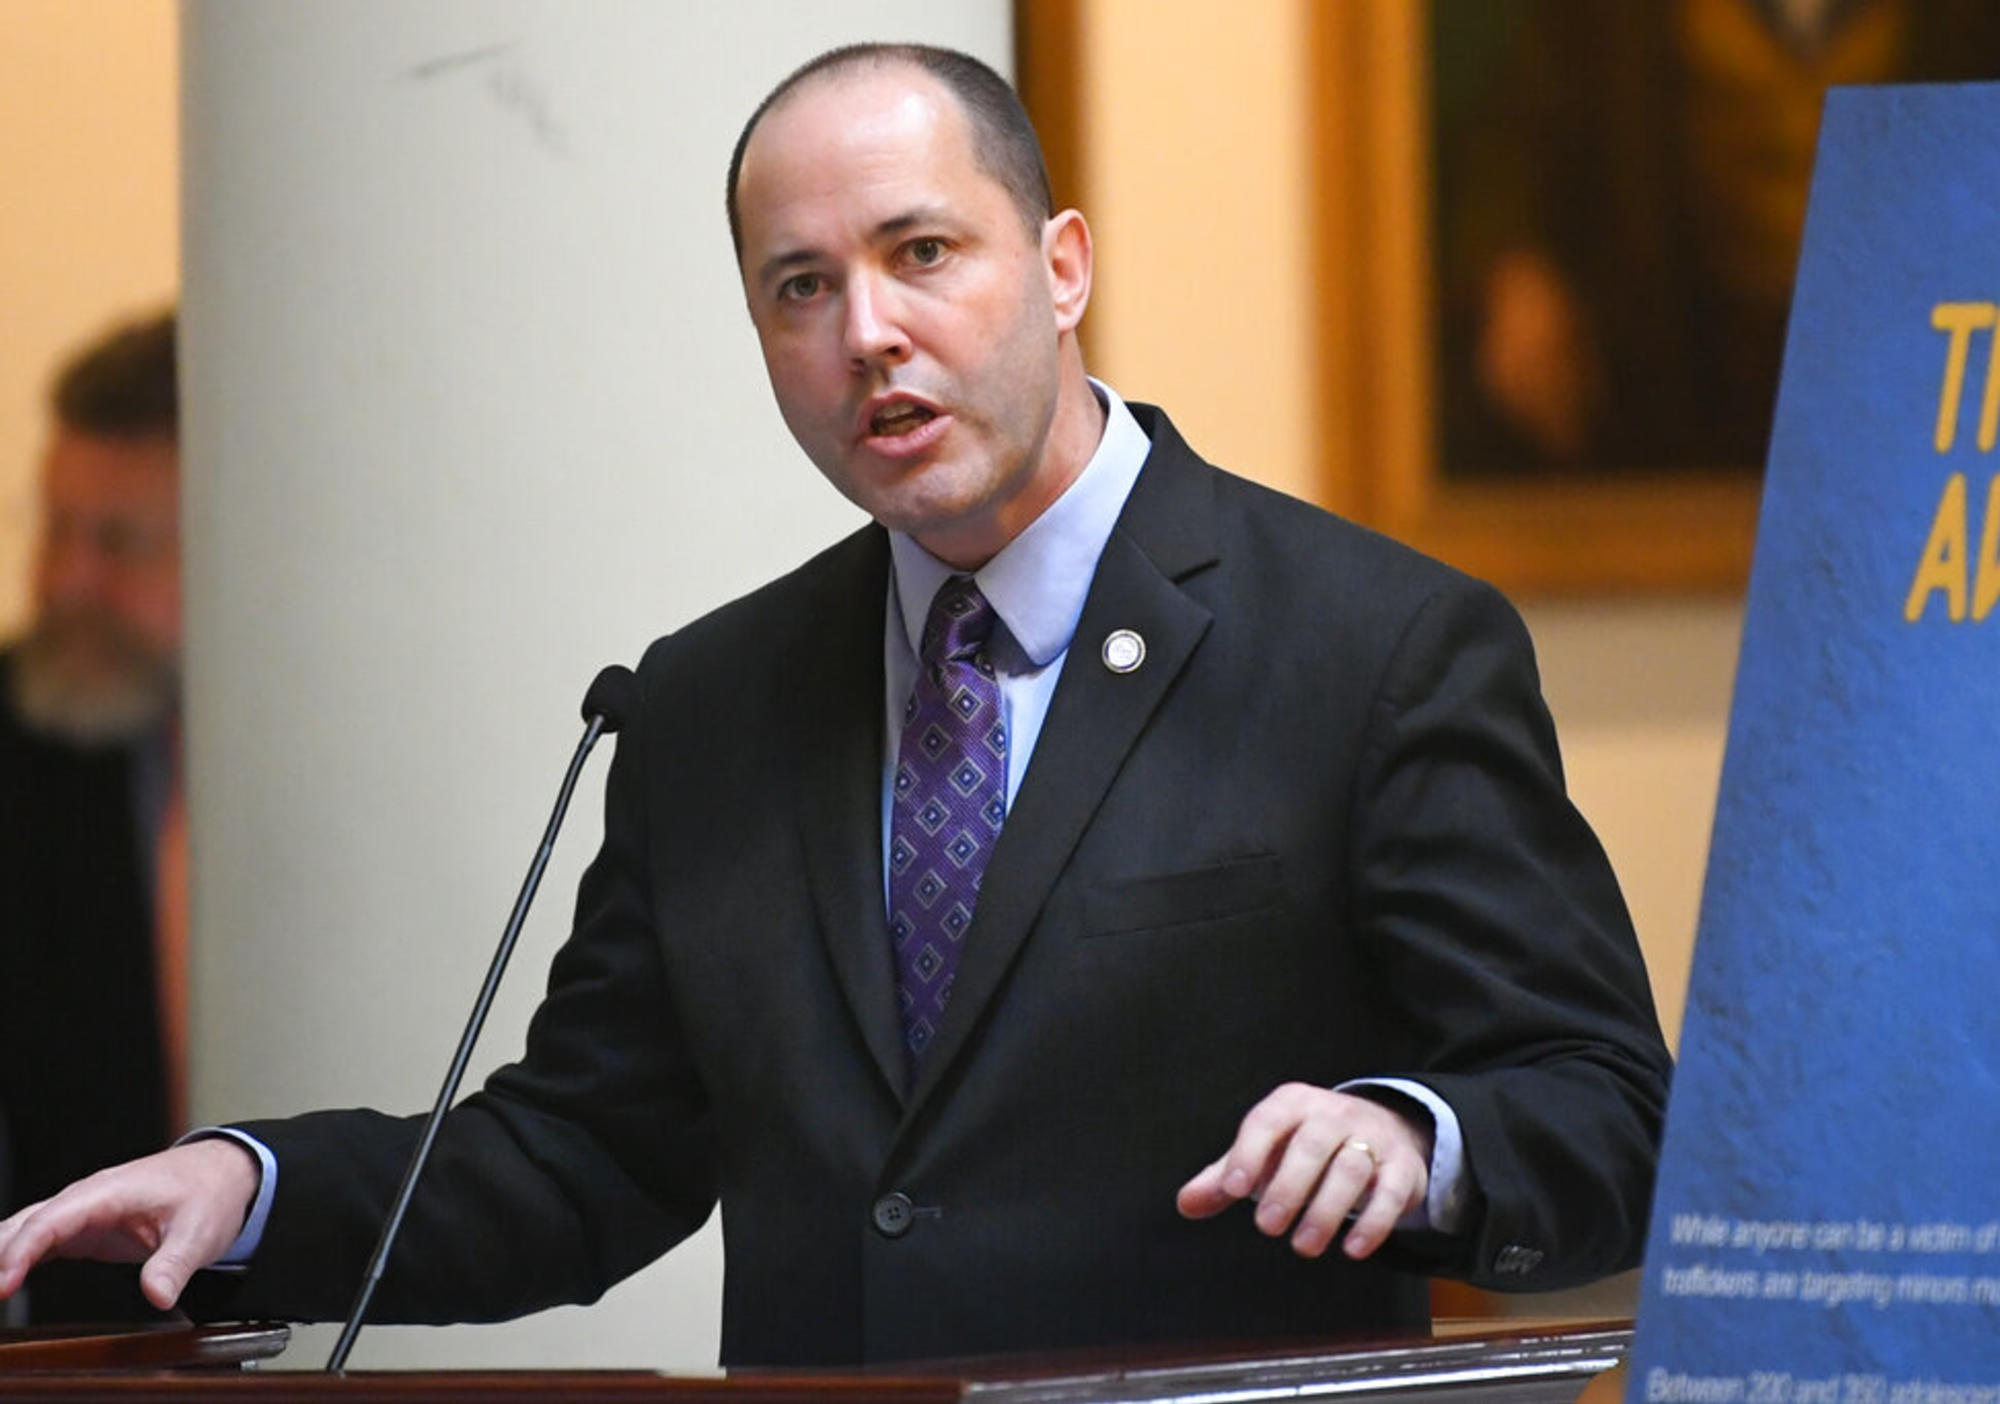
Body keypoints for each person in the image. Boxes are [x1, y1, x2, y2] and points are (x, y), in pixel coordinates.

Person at [0, 48, 1669, 1364]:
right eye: (799, 286)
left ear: (1062, 262)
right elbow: (581, 1150)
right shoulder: (710, 700)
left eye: (920, 251)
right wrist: (253, 1190)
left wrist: (1418, 1130)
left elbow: (1607, 1101)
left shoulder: (1369, 643)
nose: (866, 331)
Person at [0, 309, 184, 1326]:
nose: (65, 580)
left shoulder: (322, 761)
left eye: (115, 541)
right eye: (53, 526)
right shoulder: (18, 745)